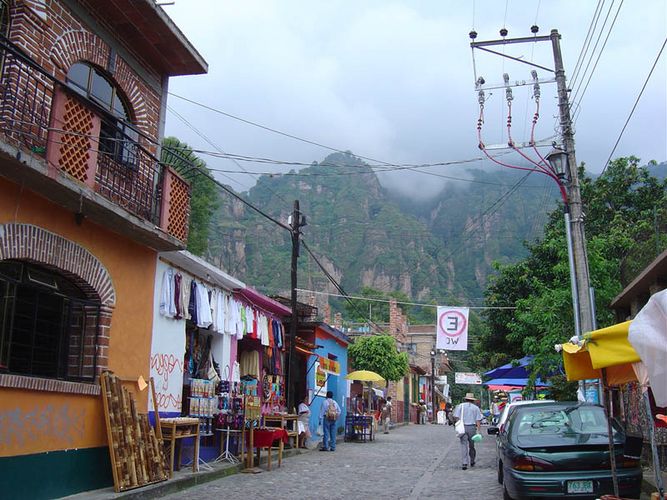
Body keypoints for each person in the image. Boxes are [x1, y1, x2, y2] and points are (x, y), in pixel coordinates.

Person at [453, 393, 483, 470]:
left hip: (463, 427)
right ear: (473, 400)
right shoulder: (476, 408)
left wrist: (458, 424)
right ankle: (472, 460)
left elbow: (456, 416)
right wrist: (479, 431)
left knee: (463, 445)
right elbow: (478, 420)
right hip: (472, 428)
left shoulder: (460, 406)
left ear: (465, 399)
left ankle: (464, 462)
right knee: (472, 445)